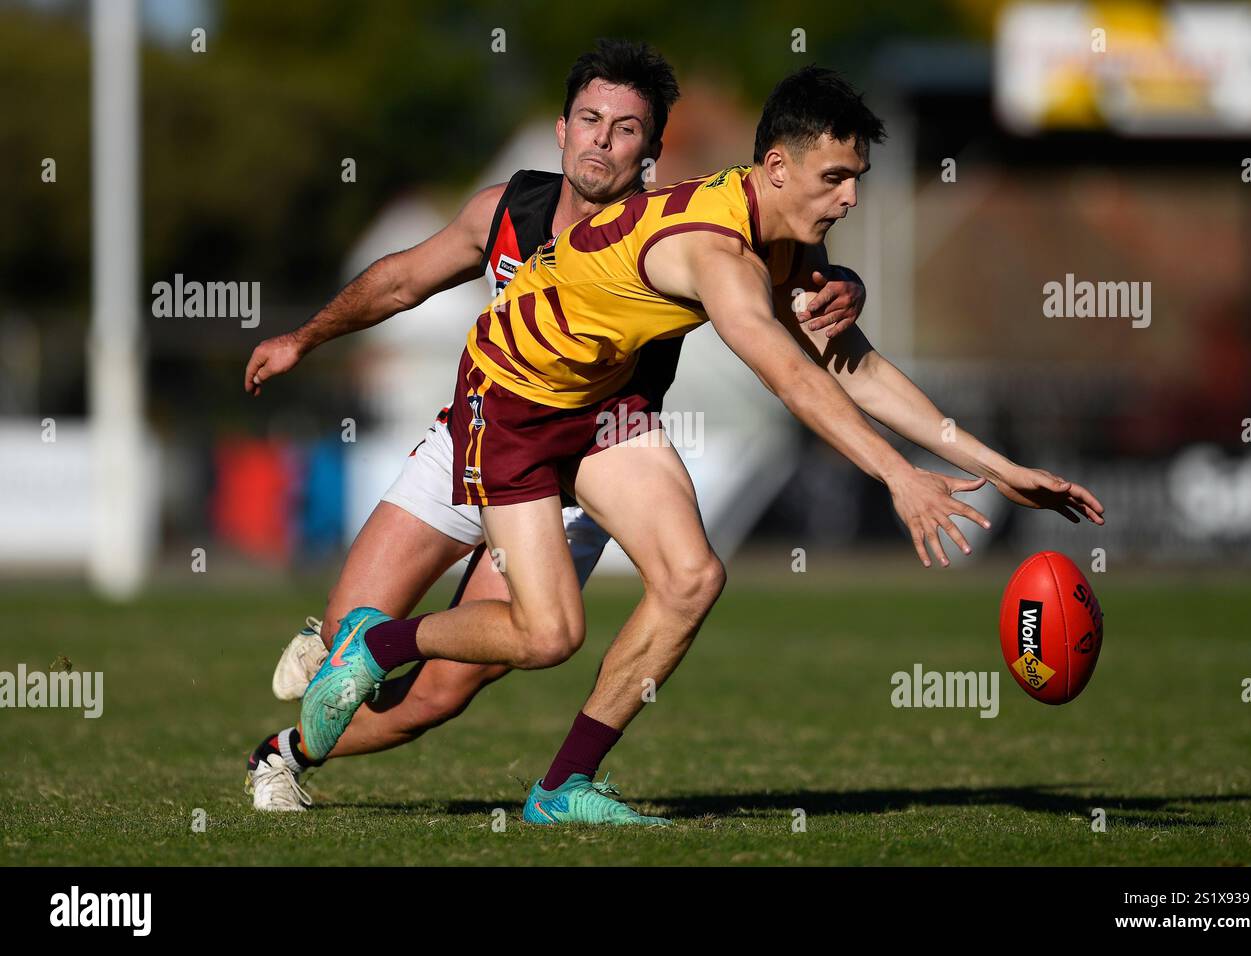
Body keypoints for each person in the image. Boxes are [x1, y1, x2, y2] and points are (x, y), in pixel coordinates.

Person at [295, 66, 1105, 826]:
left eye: (856, 176)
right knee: (547, 636)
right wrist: (897, 475)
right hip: (511, 404)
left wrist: (998, 469)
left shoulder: (778, 233)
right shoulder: (717, 250)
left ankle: (561, 787)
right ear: (777, 167)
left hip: (600, 409)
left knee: (692, 577)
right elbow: (790, 376)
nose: (853, 197)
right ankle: (375, 644)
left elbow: (848, 363)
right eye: (837, 177)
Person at [241, 42, 865, 811]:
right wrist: (302, 337)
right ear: (563, 131)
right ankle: (346, 650)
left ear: (651, 151)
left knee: (438, 694)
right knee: (347, 648)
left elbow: (794, 264)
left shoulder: (676, 228)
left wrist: (842, 283)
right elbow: (402, 278)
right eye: (590, 120)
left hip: (584, 466)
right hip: (470, 438)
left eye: (627, 128)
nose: (603, 139)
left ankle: (282, 755)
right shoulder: (506, 208)